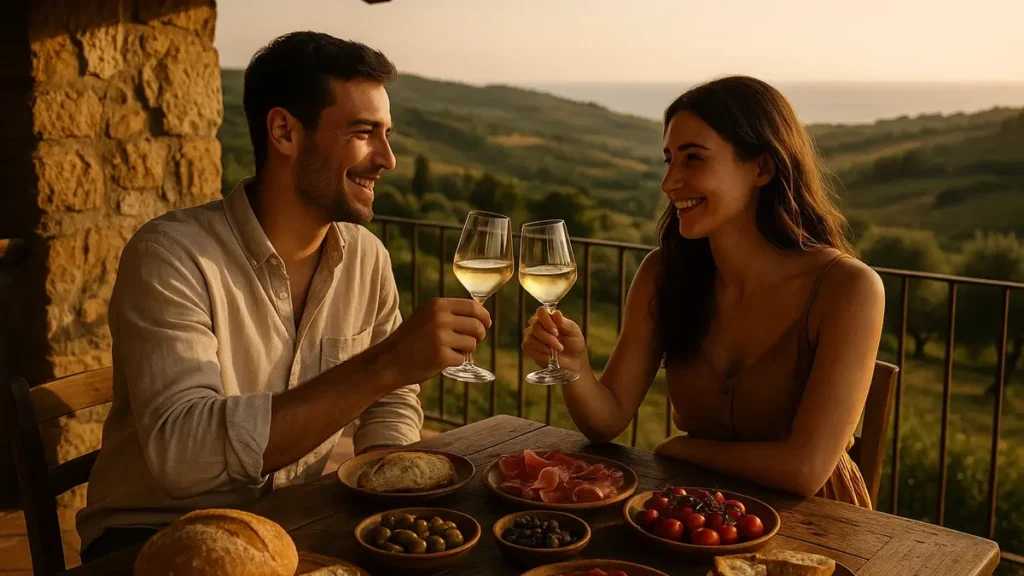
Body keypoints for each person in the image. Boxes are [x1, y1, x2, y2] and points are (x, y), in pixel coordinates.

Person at [78, 32, 491, 559]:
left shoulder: (367, 257)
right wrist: (384, 364)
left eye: (387, 134)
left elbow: (391, 398)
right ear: (284, 132)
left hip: (292, 520)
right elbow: (184, 455)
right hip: (149, 536)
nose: (387, 158)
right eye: (363, 132)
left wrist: (387, 482)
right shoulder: (171, 256)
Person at [522, 76, 885, 508]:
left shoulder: (848, 288)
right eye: (669, 160)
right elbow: (607, 419)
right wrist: (575, 366)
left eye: (693, 158)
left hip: (817, 521)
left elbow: (804, 470)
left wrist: (682, 449)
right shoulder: (664, 273)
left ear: (762, 168)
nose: (669, 182)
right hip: (698, 513)